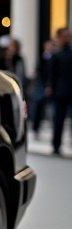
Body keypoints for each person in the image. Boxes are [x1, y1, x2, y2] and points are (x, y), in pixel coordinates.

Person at [49, 26, 72, 156]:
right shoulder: (56, 54)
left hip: (67, 90)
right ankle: (56, 145)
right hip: (60, 92)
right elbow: (52, 74)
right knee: (58, 119)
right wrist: (50, 87)